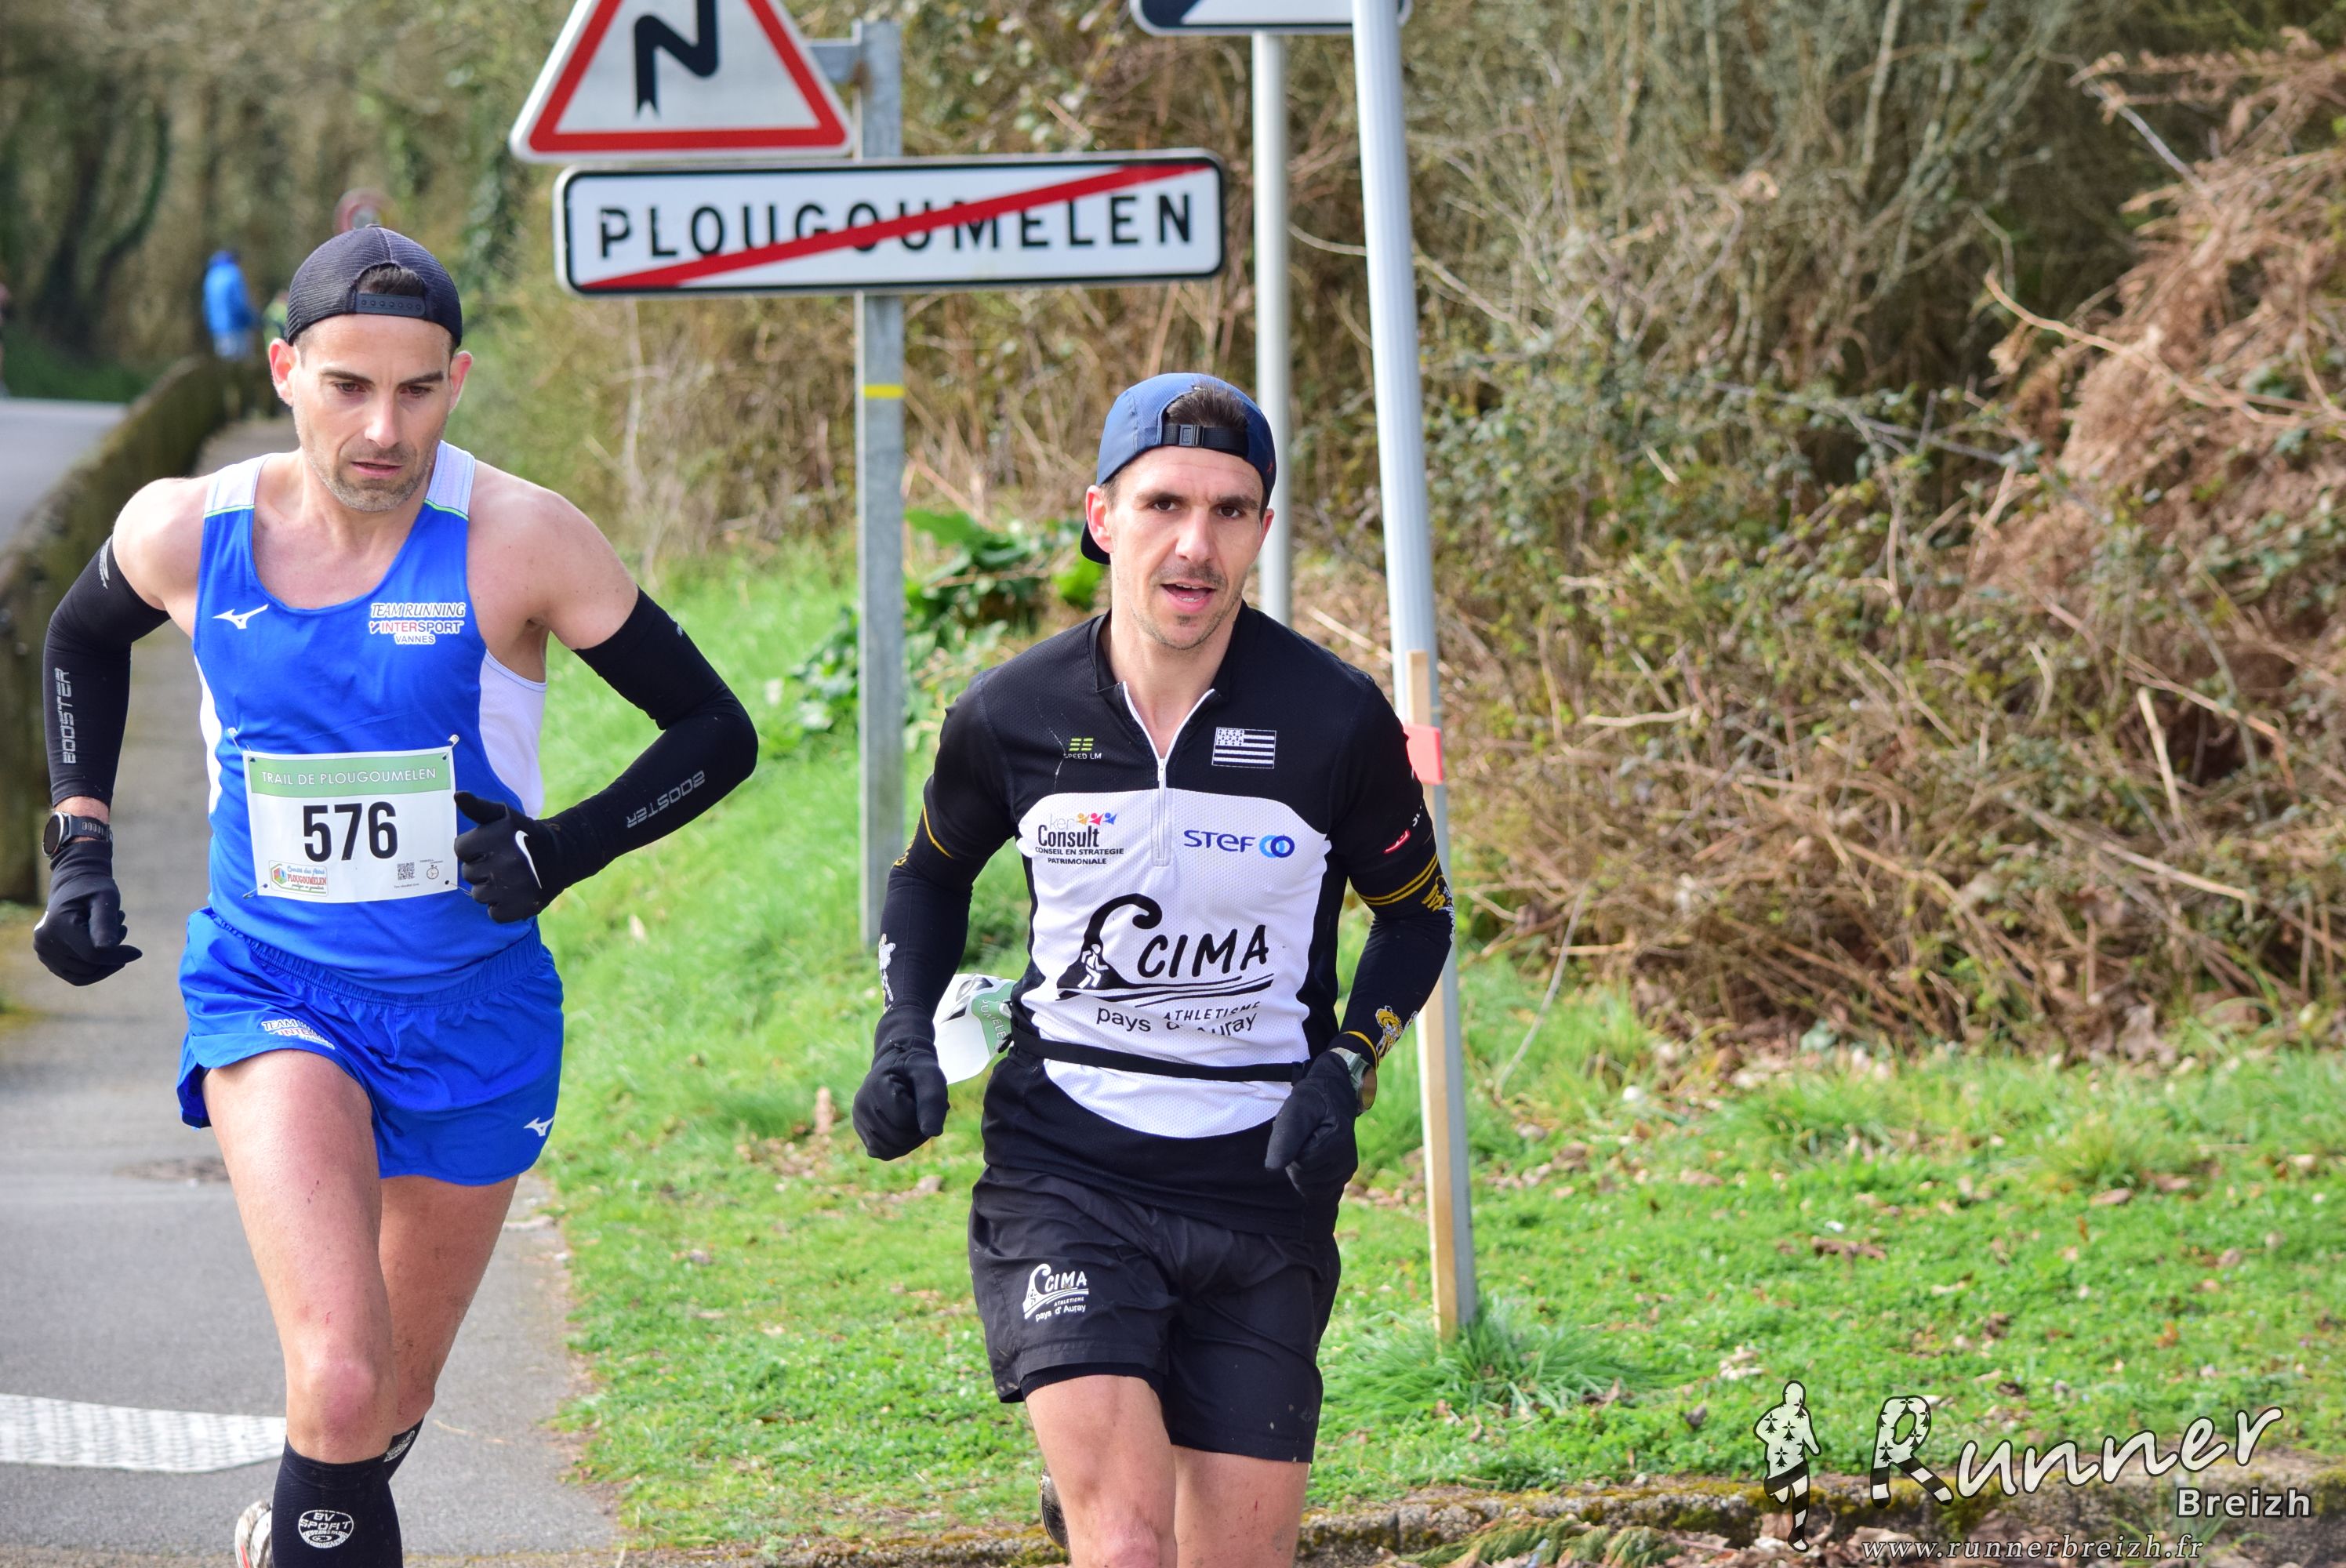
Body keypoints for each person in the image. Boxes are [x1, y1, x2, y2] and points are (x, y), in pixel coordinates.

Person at [34, 226, 757, 1568]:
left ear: (458, 380)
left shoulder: (521, 537)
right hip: (274, 988)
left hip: (472, 1010)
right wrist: (80, 840)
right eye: (349, 387)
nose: (385, 428)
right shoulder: (188, 529)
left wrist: (561, 851)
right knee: (343, 1373)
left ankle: (300, 1526)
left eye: (419, 390)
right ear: (284, 371)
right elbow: (80, 635)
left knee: (385, 1402)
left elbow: (717, 733)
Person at [853, 373, 1455, 1567]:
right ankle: (1095, 1463)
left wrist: (1348, 1062)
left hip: (1262, 1180)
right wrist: (902, 1035)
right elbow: (928, 877)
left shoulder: (1335, 720)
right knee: (1129, 1544)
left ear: (1263, 530)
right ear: (1101, 517)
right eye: (1164, 504)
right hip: (1066, 1162)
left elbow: (1416, 919)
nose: (1195, 545)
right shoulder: (1012, 713)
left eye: (1230, 511)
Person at [205, 249, 256, 359]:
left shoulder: (211, 276)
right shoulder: (233, 274)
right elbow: (239, 303)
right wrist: (250, 320)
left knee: (225, 362)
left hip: (218, 329)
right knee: (240, 361)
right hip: (236, 327)